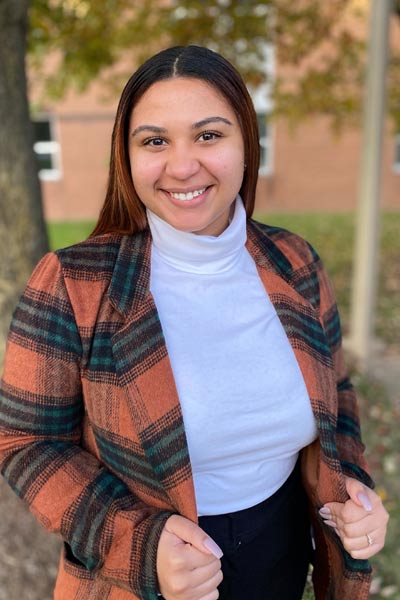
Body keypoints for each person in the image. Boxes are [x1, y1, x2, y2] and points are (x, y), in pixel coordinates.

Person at [0, 45, 388, 600]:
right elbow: (25, 440)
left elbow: (339, 395)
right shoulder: (73, 284)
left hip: (280, 555)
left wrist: (354, 489)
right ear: (127, 156)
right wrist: (140, 544)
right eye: (155, 141)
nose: (183, 166)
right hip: (138, 581)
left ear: (246, 145)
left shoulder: (296, 263)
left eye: (209, 135)